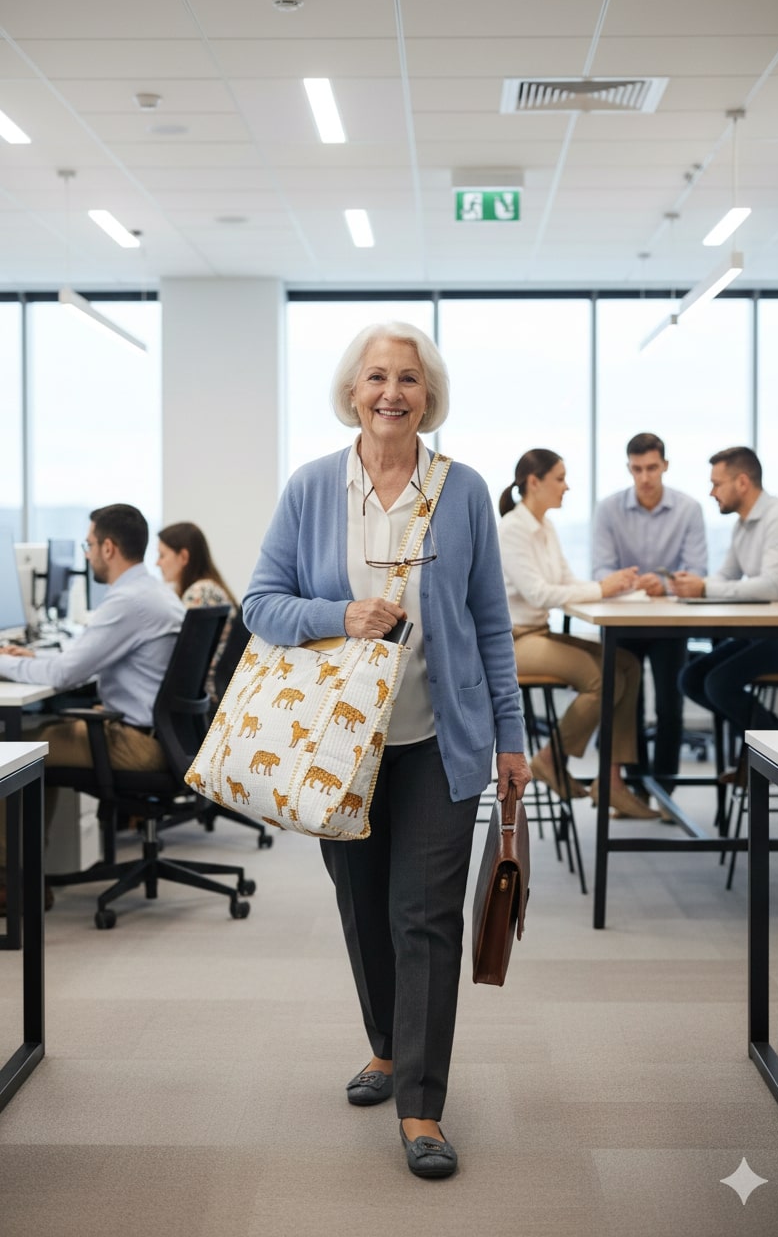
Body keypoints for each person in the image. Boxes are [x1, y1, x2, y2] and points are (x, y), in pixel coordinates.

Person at [241, 321, 529, 1179]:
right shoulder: (310, 489)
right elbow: (260, 603)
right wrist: (339, 615)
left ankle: (423, 1107)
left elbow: (489, 626)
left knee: (426, 919)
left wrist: (510, 735)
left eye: (409, 379)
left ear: (428, 398)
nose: (392, 393)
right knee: (365, 913)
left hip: (442, 741)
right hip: (338, 748)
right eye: (377, 377)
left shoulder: (465, 490)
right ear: (352, 392)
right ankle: (387, 1045)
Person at [0, 504, 185, 916]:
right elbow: (80, 659)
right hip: (163, 738)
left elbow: (65, 675)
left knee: (17, 749)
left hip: (137, 744)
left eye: (88, 545)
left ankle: (10, 884)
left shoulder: (128, 602)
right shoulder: (149, 592)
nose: (86, 554)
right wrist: (30, 656)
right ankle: (26, 876)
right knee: (40, 736)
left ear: (108, 547)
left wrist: (4, 661)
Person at [498, 448, 659, 821]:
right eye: (560, 478)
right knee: (603, 679)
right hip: (515, 641)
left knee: (627, 664)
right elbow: (539, 593)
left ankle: (613, 781)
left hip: (538, 631)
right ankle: (549, 759)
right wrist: (602, 589)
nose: (567, 486)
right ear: (534, 482)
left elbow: (566, 582)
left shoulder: (544, 526)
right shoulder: (512, 529)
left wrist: (621, 588)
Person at [592, 433, 707, 791]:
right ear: (629, 468)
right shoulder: (608, 509)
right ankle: (639, 788)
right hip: (623, 621)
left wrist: (664, 583)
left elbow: (698, 570)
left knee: (670, 706)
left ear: (665, 466)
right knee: (629, 707)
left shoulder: (688, 509)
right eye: (637, 469)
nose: (645, 477)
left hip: (668, 621)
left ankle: (666, 788)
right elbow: (600, 572)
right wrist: (635, 584)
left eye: (652, 468)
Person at [673, 447, 778, 752]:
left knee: (718, 684)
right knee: (691, 679)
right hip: (765, 634)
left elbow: (771, 587)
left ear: (742, 482)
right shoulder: (742, 524)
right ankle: (776, 743)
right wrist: (695, 584)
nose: (712, 492)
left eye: (717, 483)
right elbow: (725, 576)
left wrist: (704, 589)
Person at [156, 521, 237, 703]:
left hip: (205, 696)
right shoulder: (209, 587)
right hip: (215, 694)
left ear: (183, 557)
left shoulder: (199, 592)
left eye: (162, 555)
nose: (157, 563)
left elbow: (181, 654)